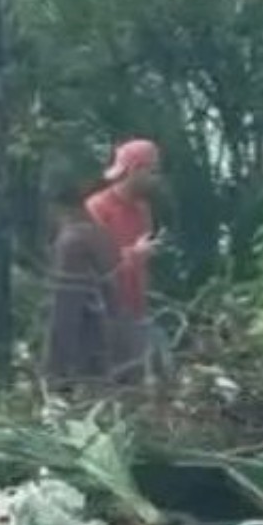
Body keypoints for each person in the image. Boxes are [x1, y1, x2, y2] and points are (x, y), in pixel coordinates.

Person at [85, 138, 162, 383]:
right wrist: (135, 253)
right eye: (151, 171)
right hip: (105, 311)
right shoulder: (96, 208)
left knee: (137, 379)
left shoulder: (142, 210)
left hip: (135, 309)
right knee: (109, 380)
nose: (155, 178)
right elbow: (96, 264)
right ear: (134, 170)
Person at [43, 168, 121, 395]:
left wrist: (54, 368)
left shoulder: (72, 239)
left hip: (78, 321)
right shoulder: (99, 234)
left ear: (59, 208)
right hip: (104, 321)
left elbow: (63, 307)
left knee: (74, 378)